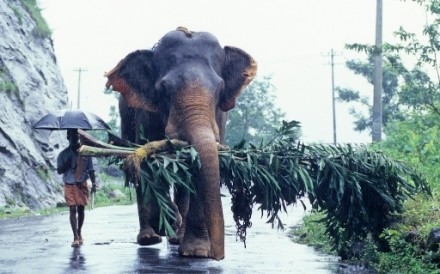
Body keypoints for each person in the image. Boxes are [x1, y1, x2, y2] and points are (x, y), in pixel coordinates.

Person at [57, 128, 97, 247]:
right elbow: (59, 170)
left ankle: (79, 232)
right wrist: (67, 164)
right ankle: (75, 237)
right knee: (72, 209)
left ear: (79, 137)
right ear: (68, 137)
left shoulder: (85, 153)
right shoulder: (63, 154)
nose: (74, 138)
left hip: (81, 184)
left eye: (76, 136)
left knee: (81, 210)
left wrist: (94, 184)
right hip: (69, 184)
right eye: (71, 136)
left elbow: (91, 170)